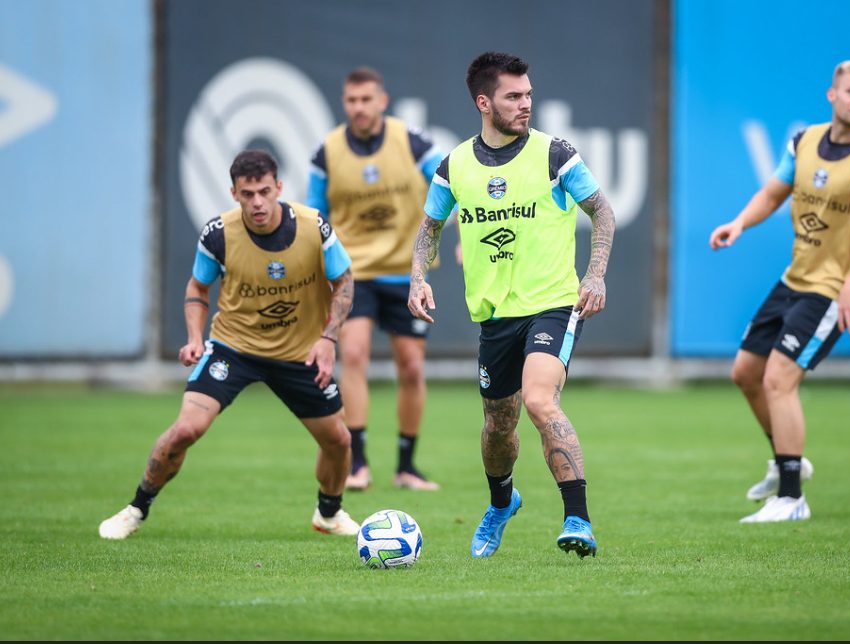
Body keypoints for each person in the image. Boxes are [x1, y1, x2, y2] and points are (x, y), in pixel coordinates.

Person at [408, 52, 616, 558]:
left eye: (528, 95)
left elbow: (603, 212)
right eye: (513, 97)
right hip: (494, 316)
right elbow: (429, 228)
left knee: (541, 401)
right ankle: (502, 503)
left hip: (554, 303)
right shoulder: (454, 165)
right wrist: (418, 276)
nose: (526, 104)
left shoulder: (554, 153)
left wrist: (595, 274)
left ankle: (578, 519)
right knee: (499, 424)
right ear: (484, 102)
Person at [99, 150, 360, 539]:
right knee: (186, 430)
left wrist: (328, 338)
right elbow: (197, 287)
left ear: (279, 189)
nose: (257, 202)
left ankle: (328, 513)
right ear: (234, 193)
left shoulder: (313, 227)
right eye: (248, 193)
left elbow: (345, 281)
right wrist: (194, 338)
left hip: (300, 351)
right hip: (233, 347)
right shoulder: (218, 234)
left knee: (338, 440)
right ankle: (136, 508)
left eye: (264, 192)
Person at [708, 60, 850, 523]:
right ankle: (786, 459)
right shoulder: (804, 141)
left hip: (832, 290)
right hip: (795, 278)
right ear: (832, 95)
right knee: (745, 372)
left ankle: (792, 497)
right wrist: (739, 223)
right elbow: (773, 193)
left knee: (779, 379)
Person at [307, 67, 443, 492]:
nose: (359, 108)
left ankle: (406, 465)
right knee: (355, 354)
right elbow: (315, 218)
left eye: (367, 100)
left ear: (382, 101)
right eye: (352, 100)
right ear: (344, 103)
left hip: (407, 272)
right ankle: (358, 462)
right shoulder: (326, 153)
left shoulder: (413, 142)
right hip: (355, 273)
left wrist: (461, 236)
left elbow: (452, 185)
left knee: (412, 366)